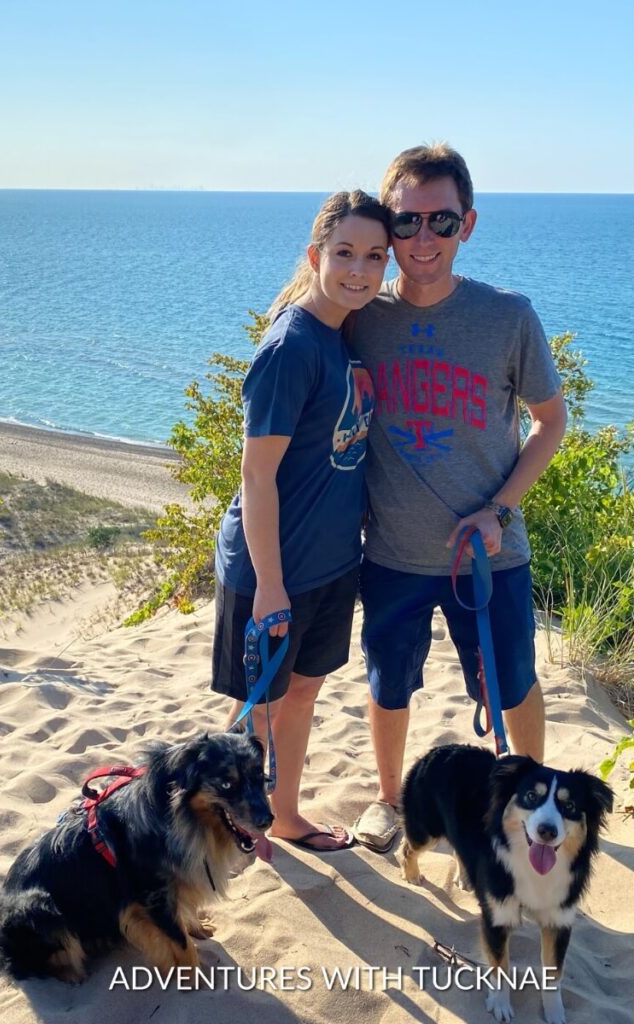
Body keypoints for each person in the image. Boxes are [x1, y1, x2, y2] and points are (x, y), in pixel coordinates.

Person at [349, 144, 568, 852]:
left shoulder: (507, 317)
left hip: (490, 554)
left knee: (508, 685)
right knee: (388, 685)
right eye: (405, 221)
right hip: (391, 553)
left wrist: (497, 509)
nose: (420, 239)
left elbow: (550, 420)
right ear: (387, 225)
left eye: (439, 221)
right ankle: (389, 801)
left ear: (466, 225)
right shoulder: (361, 316)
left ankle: (530, 799)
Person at [212, 190, 389, 851]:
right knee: (255, 711)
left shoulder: (343, 333)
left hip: (331, 564)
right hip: (273, 570)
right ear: (316, 256)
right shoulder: (291, 346)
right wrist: (269, 584)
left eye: (374, 256)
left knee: (302, 696)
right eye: (343, 253)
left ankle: (282, 816)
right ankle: (223, 831)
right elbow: (255, 476)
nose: (359, 269)